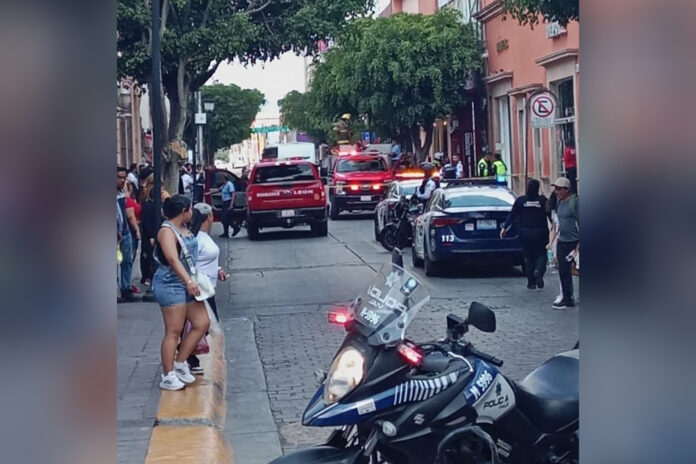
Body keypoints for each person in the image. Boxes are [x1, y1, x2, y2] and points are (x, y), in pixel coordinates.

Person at [152, 195, 210, 390]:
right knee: (173, 331)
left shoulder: (185, 228)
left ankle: (180, 363)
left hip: (187, 281)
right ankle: (168, 375)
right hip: (171, 283)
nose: (192, 213)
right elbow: (173, 260)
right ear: (183, 211)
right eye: (190, 209)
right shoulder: (166, 231)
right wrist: (188, 281)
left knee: (202, 323)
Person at [186, 203, 229, 374]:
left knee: (206, 325)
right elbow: (191, 262)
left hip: (208, 287)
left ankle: (188, 356)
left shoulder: (204, 236)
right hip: (200, 289)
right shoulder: (196, 239)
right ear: (209, 217)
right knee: (204, 325)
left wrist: (217, 270)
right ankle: (186, 355)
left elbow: (207, 258)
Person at [501, 178, 550, 290]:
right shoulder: (543, 201)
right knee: (541, 254)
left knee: (528, 257)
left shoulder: (520, 201)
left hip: (525, 232)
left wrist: (504, 228)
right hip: (540, 232)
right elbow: (550, 215)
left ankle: (531, 283)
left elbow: (512, 215)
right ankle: (539, 271)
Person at [550, 177, 579, 309]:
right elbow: (556, 222)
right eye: (555, 189)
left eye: (559, 189)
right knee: (563, 271)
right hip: (562, 241)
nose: (556, 191)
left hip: (575, 242)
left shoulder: (575, 202)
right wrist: (553, 240)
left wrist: (578, 246)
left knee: (578, 270)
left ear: (566, 189)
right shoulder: (559, 202)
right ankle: (568, 299)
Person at [117, 167, 140, 302]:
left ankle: (126, 288)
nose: (122, 180)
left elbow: (126, 213)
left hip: (124, 232)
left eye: (124, 178)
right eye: (119, 177)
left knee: (127, 260)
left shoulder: (122, 193)